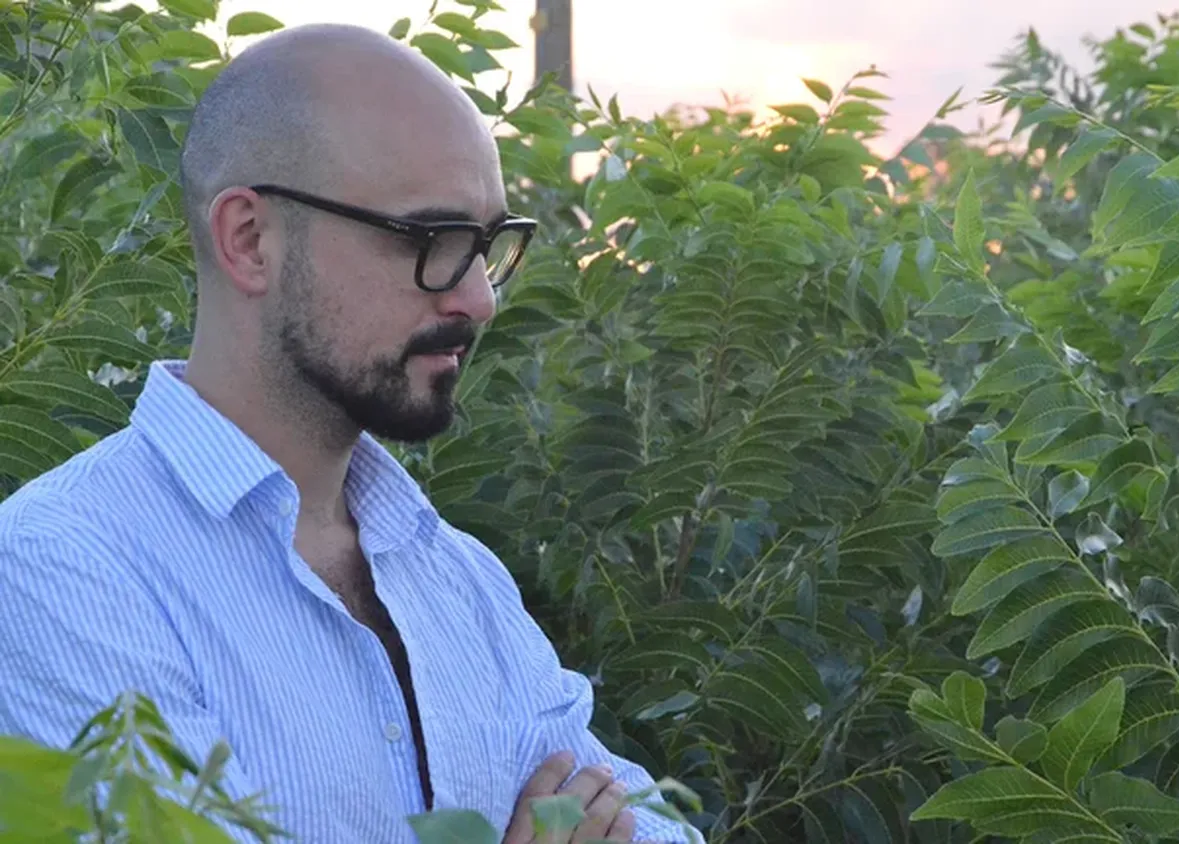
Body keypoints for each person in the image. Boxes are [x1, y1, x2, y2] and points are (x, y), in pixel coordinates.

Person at [0, 22, 695, 844]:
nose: (478, 300)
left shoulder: (457, 579)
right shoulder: (60, 569)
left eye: (485, 246)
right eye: (431, 241)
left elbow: (653, 824)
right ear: (250, 241)